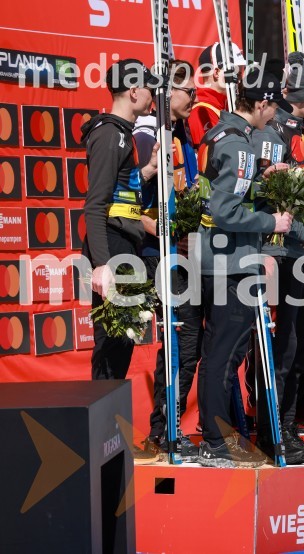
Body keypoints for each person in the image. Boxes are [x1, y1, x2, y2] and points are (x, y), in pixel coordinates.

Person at [196, 67, 293, 468]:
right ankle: (216, 442)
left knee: (220, 351)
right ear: (263, 103)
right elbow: (224, 210)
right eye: (274, 107)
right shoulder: (239, 145)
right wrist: (273, 222)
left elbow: (221, 191)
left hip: (216, 257)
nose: (276, 116)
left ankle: (216, 439)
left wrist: (260, 181)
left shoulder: (222, 133)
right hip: (230, 262)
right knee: (224, 354)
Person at [253, 51, 304, 464]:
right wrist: (301, 232)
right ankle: (273, 433)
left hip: (301, 252)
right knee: (283, 349)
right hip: (281, 253)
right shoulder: (276, 131)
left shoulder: (303, 128)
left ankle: (286, 429)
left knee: (300, 346)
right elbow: (269, 197)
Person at [81, 59, 160, 464]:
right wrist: (101, 264)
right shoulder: (109, 133)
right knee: (111, 348)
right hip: (112, 251)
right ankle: (103, 445)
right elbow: (94, 206)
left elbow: (120, 194)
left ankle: (109, 442)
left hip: (123, 247)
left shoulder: (121, 135)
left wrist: (144, 172)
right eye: (149, 88)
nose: (153, 95)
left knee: (121, 347)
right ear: (133, 92)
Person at [133, 61, 202, 460]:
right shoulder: (147, 136)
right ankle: (163, 429)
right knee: (182, 340)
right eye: (189, 92)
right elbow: (125, 204)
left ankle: (167, 426)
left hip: (179, 255)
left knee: (187, 342)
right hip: (155, 256)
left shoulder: (180, 137)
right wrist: (160, 231)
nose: (194, 98)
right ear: (167, 93)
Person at [188, 41, 246, 145]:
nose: (239, 78)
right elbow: (206, 155)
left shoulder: (226, 104)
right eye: (236, 73)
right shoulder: (200, 111)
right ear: (216, 73)